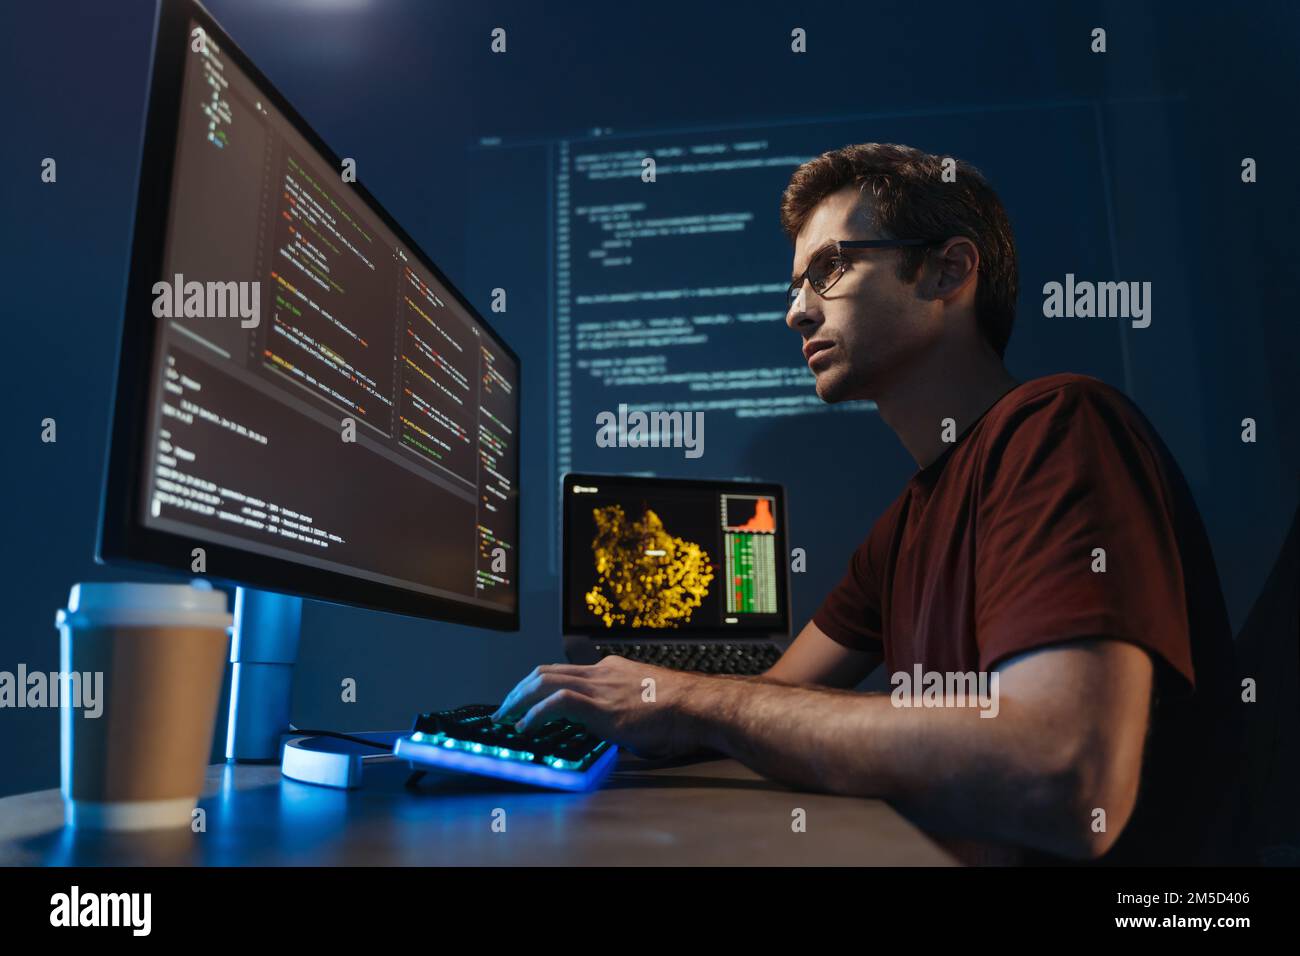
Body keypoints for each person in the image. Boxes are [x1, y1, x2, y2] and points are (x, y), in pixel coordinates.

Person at [496, 143, 1241, 865]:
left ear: (949, 270)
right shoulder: (909, 519)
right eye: (794, 285)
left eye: (830, 268)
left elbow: (1065, 779)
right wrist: (642, 700)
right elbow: (776, 697)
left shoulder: (1061, 426)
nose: (795, 312)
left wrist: (686, 698)